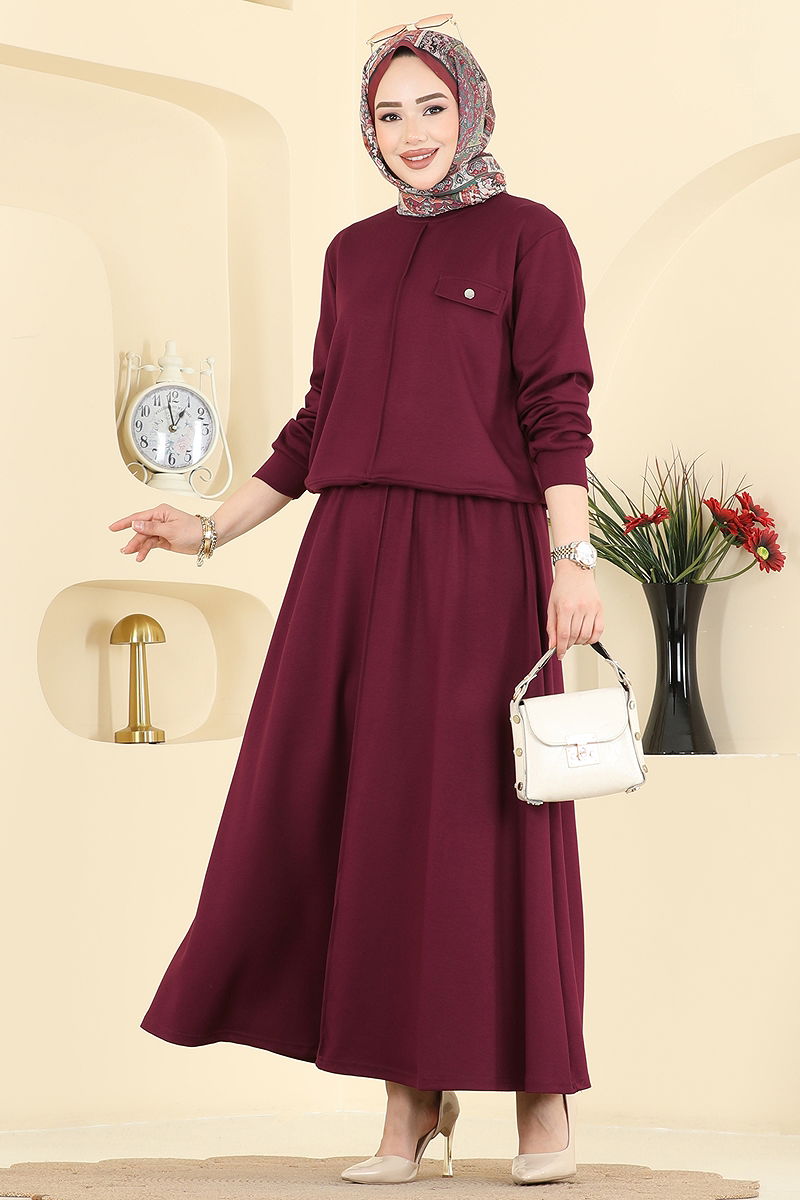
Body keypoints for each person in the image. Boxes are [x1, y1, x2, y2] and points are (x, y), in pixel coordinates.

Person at [108, 22, 603, 1187]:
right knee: (369, 818)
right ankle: (406, 1107)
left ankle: (540, 1102)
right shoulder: (351, 253)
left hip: (482, 559)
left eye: (430, 107)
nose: (411, 133)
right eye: (388, 114)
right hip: (352, 561)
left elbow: (557, 406)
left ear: (470, 110)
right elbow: (316, 418)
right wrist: (209, 527)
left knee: (491, 818)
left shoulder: (530, 236)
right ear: (367, 131)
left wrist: (569, 559)